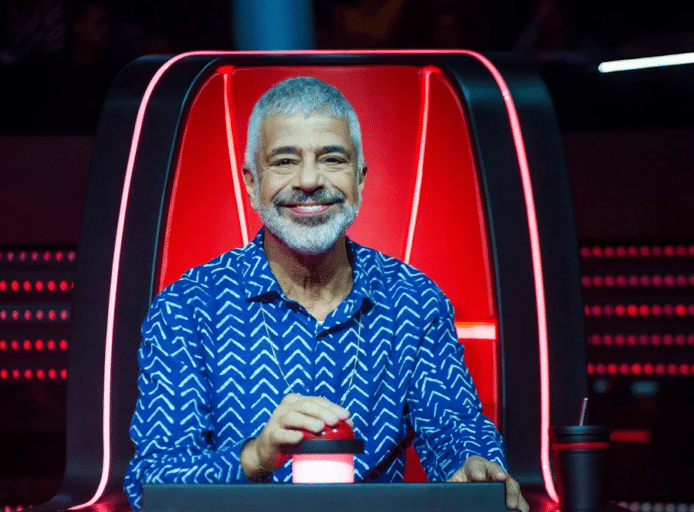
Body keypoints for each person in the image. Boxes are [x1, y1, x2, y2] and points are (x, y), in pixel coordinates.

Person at [124, 76, 529, 512]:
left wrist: (474, 468)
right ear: (251, 182)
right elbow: (151, 482)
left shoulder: (413, 299)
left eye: (332, 159)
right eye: (285, 161)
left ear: (360, 178)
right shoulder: (187, 307)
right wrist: (255, 457)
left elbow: (455, 429)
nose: (309, 180)